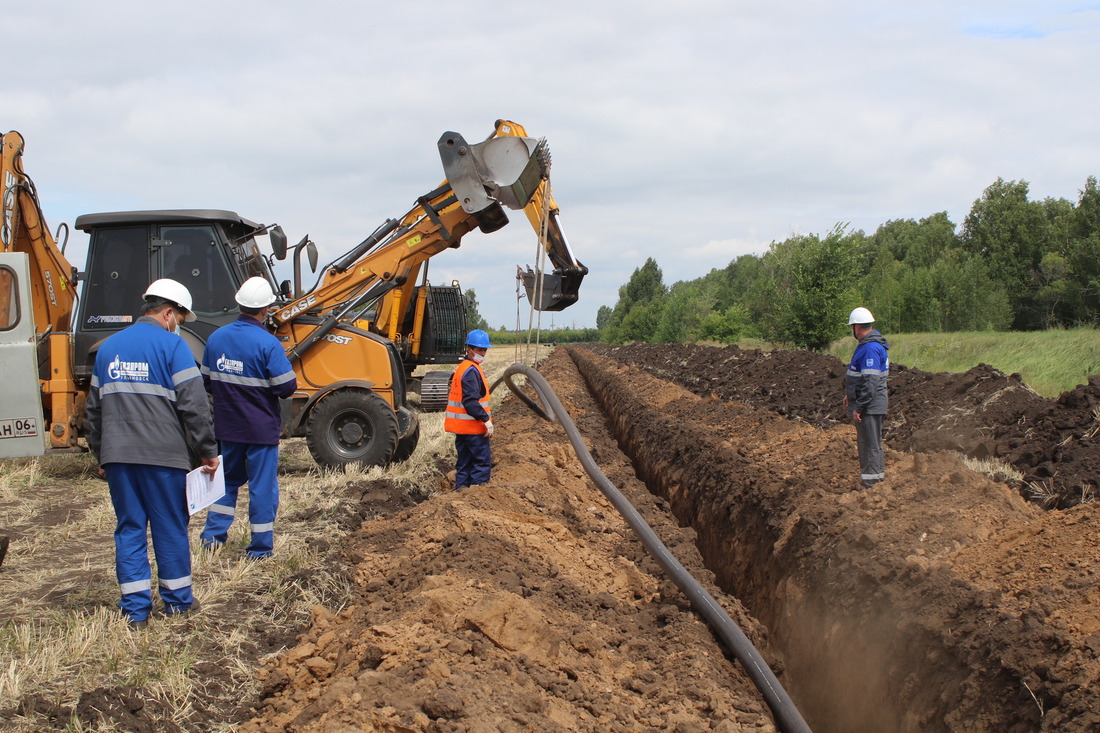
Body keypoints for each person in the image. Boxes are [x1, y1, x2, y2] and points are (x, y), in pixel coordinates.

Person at [84, 278, 219, 626]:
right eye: (181, 321)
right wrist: (207, 451)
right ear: (169, 313)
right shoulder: (174, 349)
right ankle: (177, 602)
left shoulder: (108, 349)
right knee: (170, 526)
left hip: (118, 457)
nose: (180, 327)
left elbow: (93, 412)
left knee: (129, 527)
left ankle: (135, 610)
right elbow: (194, 406)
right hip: (164, 456)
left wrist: (101, 455)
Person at [199, 277, 297, 559]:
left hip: (227, 428)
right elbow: (286, 387)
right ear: (265, 309)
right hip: (260, 431)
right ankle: (260, 547)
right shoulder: (268, 343)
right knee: (261, 487)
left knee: (225, 483)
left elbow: (206, 382)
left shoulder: (216, 338)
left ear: (239, 301)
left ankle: (212, 538)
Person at [844, 306, 890, 490]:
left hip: (870, 407)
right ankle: (873, 483)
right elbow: (860, 376)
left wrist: (859, 407)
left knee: (869, 445)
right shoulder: (868, 346)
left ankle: (872, 486)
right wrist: (849, 396)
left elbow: (870, 382)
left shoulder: (870, 348)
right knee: (870, 444)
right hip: (870, 404)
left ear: (856, 327)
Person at [444, 329, 494, 489]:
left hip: (462, 429)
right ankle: (476, 497)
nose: (483, 353)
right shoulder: (471, 371)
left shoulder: (464, 367)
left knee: (464, 463)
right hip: (474, 430)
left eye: (485, 350)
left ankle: (461, 494)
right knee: (481, 462)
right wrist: (485, 420)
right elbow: (470, 402)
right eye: (480, 350)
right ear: (469, 349)